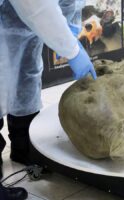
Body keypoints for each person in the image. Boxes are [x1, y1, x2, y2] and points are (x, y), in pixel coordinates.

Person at [0, 0, 97, 199]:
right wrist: (72, 50)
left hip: (25, 22)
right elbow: (35, 5)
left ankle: (23, 147)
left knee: (26, 76)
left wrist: (70, 27)